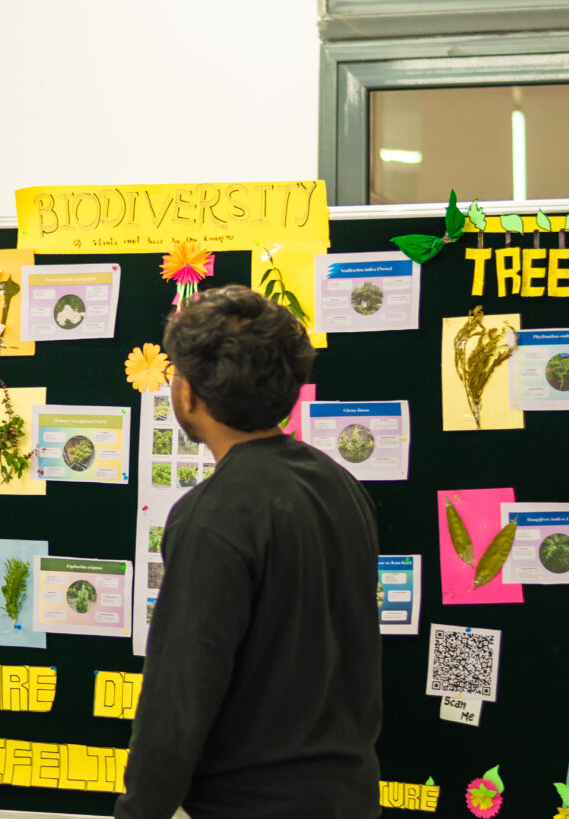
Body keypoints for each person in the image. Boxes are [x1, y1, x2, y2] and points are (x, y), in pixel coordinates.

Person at [115, 285, 382, 819]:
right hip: (348, 798)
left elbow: (180, 692)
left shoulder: (214, 515)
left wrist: (140, 810)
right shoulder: (340, 484)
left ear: (187, 393)